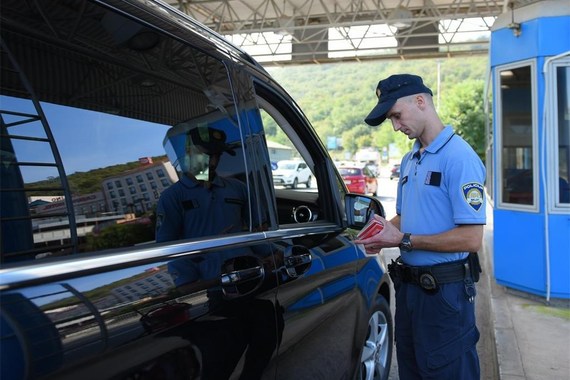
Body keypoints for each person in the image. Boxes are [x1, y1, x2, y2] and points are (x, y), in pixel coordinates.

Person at [356, 74, 486, 380]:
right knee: (413, 371)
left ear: (420, 101)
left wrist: (404, 240)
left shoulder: (459, 157)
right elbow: (405, 219)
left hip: (445, 295)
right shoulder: (410, 159)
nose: (396, 126)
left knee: (447, 371)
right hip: (411, 291)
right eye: (391, 119)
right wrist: (382, 233)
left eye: (396, 116)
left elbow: (471, 238)